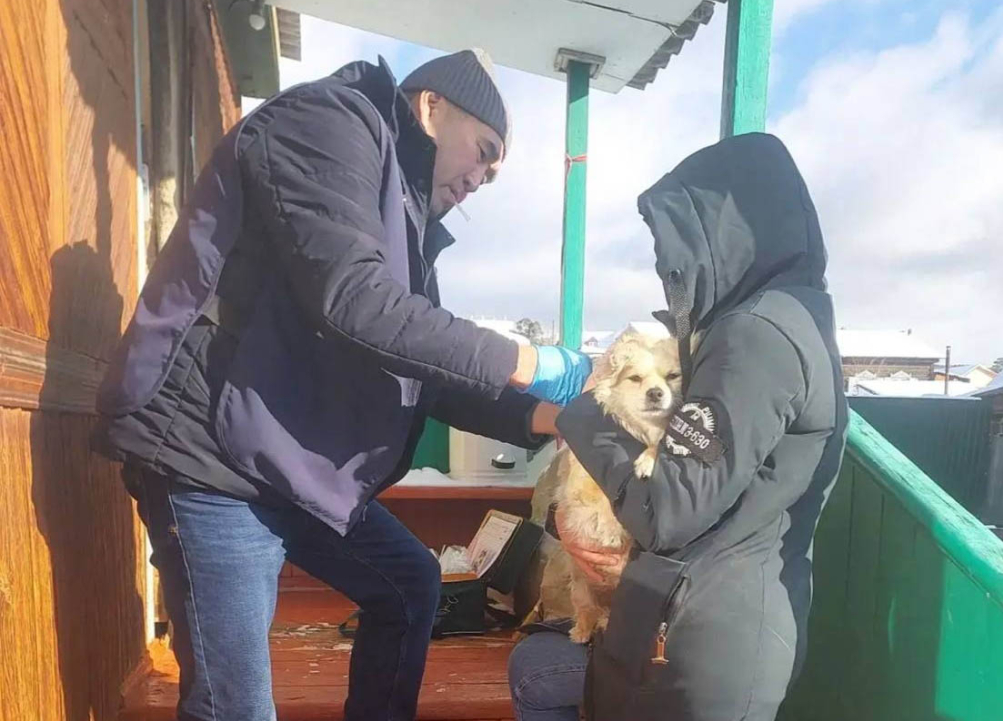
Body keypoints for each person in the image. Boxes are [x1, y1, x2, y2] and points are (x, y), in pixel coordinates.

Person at [93, 49, 592, 721]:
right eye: (483, 153)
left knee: (409, 585)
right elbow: (356, 301)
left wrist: (551, 416)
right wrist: (533, 360)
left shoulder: (406, 215)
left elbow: (422, 368)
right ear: (431, 107)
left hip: (276, 454)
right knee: (234, 706)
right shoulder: (326, 122)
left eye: (493, 172)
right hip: (207, 453)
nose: (481, 178)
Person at [508, 132, 848, 721]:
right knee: (538, 661)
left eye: (675, 241)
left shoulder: (755, 337)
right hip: (719, 622)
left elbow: (667, 510)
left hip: (699, 647)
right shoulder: (793, 318)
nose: (668, 265)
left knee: (535, 671)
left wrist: (585, 410)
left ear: (724, 233)